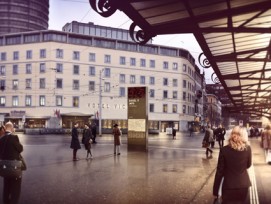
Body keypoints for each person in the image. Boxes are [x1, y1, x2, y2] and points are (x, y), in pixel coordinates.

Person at [213, 126, 252, 203]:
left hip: (228, 186)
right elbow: (248, 165)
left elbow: (219, 172)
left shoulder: (224, 150)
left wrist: (215, 190)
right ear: (244, 136)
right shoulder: (248, 148)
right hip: (243, 185)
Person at [0, 122, 24, 204]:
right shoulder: (14, 137)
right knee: (15, 189)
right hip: (14, 167)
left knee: (6, 186)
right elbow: (20, 149)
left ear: (5, 128)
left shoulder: (1, 138)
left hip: (4, 167)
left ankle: (5, 202)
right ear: (11, 128)